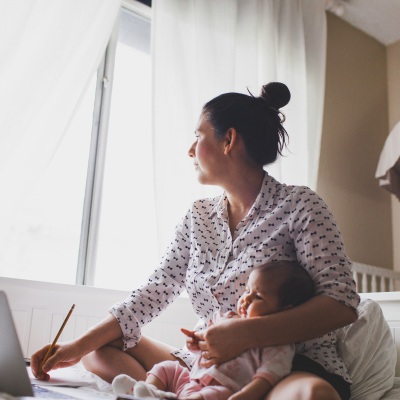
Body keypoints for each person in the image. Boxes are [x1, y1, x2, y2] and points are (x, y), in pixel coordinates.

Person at [31, 82, 360, 400]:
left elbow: (341, 303)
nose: (190, 150)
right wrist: (74, 348)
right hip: (210, 366)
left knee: (313, 395)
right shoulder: (198, 216)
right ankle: (182, 393)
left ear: (228, 140)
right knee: (98, 350)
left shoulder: (299, 205)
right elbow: (156, 290)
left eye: (198, 136)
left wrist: (244, 334)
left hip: (282, 367)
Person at [111, 260, 314, 400]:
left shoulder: (276, 341)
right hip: (191, 378)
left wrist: (245, 395)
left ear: (284, 310)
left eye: (258, 297)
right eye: (247, 291)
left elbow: (269, 374)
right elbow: (207, 344)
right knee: (166, 368)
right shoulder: (227, 318)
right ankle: (150, 392)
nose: (246, 299)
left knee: (208, 396)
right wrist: (196, 342)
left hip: (222, 390)